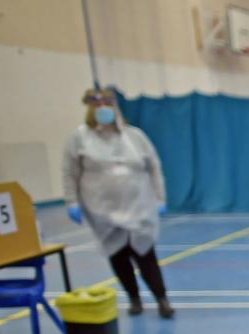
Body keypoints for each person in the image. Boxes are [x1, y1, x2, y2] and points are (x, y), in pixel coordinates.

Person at [63, 87, 174, 318]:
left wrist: (160, 198)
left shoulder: (135, 136)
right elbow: (70, 172)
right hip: (102, 210)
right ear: (91, 109)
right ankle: (134, 298)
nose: (104, 110)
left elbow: (154, 167)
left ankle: (161, 298)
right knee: (119, 255)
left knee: (146, 255)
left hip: (138, 207)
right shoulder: (80, 138)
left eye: (107, 105)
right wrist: (72, 201)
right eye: (98, 105)